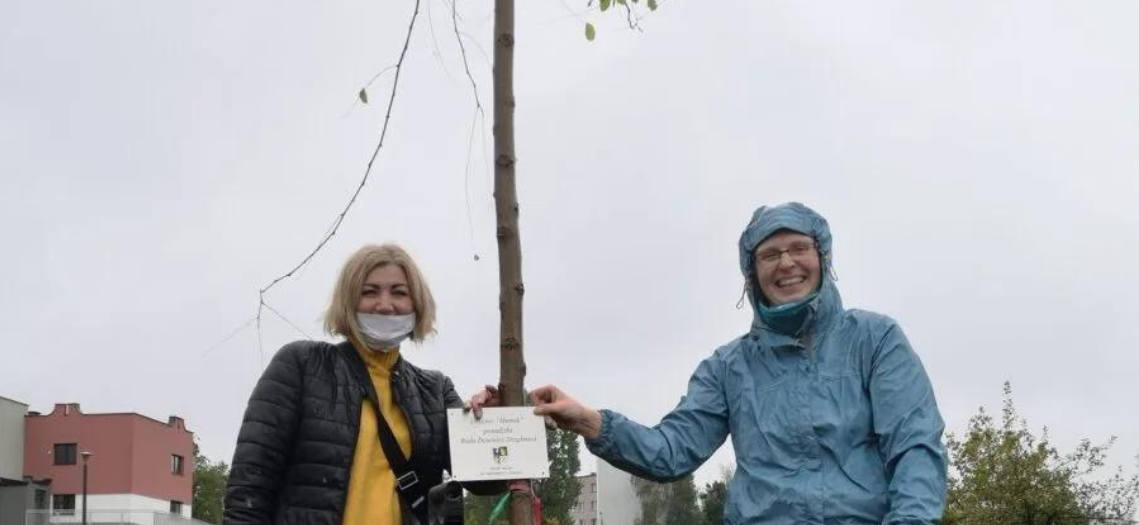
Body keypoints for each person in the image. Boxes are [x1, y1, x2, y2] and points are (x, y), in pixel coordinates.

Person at [471, 202, 947, 524]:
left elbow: (914, 448)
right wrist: (589, 422)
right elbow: (671, 450)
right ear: (751, 274)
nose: (786, 264)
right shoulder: (729, 368)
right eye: (769, 254)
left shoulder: (875, 340)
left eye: (799, 248)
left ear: (822, 257)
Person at [224, 244, 498, 525]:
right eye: (369, 292)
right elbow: (249, 490)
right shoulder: (301, 365)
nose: (384, 304)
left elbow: (486, 479)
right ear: (348, 300)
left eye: (399, 292)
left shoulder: (436, 390)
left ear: (417, 303)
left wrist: (498, 420)